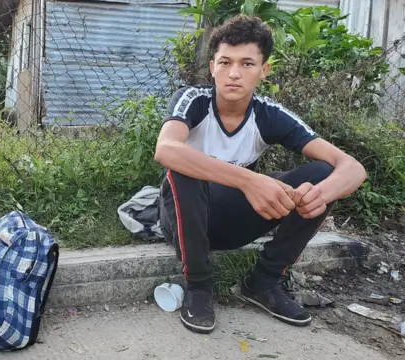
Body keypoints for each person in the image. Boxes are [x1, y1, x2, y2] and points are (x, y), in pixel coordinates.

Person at [154, 14, 367, 334]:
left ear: (264, 71)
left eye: (247, 64)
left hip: (236, 223)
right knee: (184, 167)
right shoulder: (194, 100)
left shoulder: (269, 115)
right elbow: (166, 149)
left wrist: (318, 196)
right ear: (212, 67)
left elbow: (352, 168)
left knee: (323, 175)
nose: (234, 74)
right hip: (183, 223)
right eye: (225, 63)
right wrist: (250, 180)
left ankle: (263, 283)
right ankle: (198, 288)